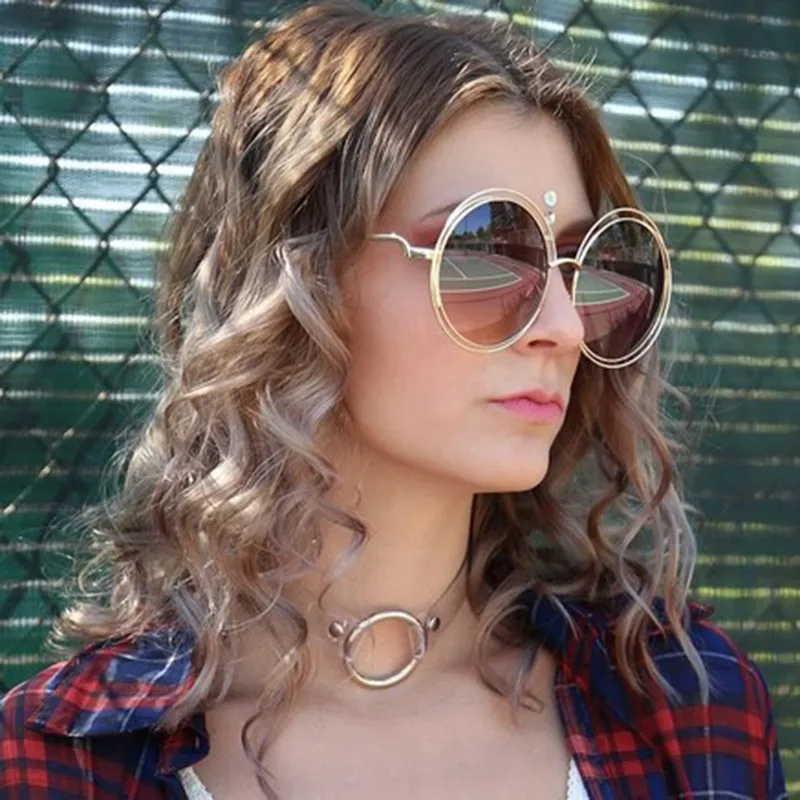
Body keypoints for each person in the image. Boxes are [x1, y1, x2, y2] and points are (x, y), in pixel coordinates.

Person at [0, 4, 787, 799]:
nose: (563, 326)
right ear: (291, 281)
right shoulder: (58, 766)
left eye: (587, 261)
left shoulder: (686, 704)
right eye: (483, 249)